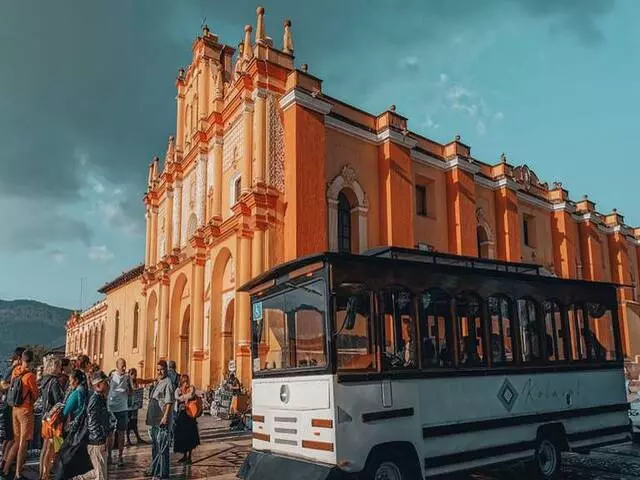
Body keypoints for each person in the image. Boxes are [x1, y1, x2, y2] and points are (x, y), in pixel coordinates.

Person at [1, 349, 39, 480]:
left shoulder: (15, 371)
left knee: (16, 441)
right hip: (26, 411)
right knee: (23, 443)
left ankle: (5, 469)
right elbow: (35, 394)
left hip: (14, 409)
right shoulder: (30, 376)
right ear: (32, 361)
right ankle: (18, 473)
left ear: (22, 359)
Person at [145, 360, 174, 480]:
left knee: (162, 448)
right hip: (154, 420)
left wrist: (165, 417)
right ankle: (155, 471)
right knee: (155, 447)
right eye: (158, 369)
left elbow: (169, 402)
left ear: (166, 369)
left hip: (161, 419)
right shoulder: (158, 382)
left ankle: (163, 474)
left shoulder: (168, 382)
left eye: (162, 369)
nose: (160, 372)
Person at [38, 356, 65, 480]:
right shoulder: (54, 381)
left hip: (45, 416)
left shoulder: (45, 380)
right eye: (59, 366)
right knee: (50, 447)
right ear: (54, 367)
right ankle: (46, 474)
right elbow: (58, 400)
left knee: (45, 447)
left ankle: (42, 473)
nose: (60, 368)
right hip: (52, 418)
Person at [0, 347, 25, 473]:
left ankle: (4, 462)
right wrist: (16, 388)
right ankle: (5, 464)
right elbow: (3, 384)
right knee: (11, 438)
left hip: (8, 405)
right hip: (9, 406)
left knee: (9, 438)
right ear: (20, 358)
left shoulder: (14, 369)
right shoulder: (13, 369)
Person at [86, 371, 111, 480]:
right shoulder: (95, 400)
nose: (108, 385)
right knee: (101, 476)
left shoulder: (100, 398)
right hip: (96, 442)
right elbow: (92, 422)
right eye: (105, 383)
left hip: (99, 440)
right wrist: (100, 439)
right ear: (98, 385)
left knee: (97, 472)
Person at [107, 358, 132, 466]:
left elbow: (132, 392)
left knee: (121, 433)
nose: (124, 367)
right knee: (110, 433)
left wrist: (129, 390)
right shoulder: (111, 376)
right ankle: (109, 456)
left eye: (125, 365)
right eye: (122, 365)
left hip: (123, 408)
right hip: (111, 408)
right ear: (117, 366)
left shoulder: (127, 378)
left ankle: (120, 457)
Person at [173, 374, 200, 464]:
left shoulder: (191, 388)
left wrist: (182, 397)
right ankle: (184, 456)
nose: (186, 383)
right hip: (182, 416)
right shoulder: (178, 389)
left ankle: (189, 457)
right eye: (184, 381)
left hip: (190, 416)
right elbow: (176, 397)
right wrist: (184, 397)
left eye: (187, 381)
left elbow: (191, 395)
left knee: (190, 436)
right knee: (182, 436)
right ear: (182, 382)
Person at [126, 368, 151, 446]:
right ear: (130, 374)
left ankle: (138, 438)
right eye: (133, 374)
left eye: (135, 374)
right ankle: (128, 439)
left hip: (135, 406)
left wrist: (154, 380)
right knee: (128, 422)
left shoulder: (136, 381)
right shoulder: (126, 381)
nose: (135, 376)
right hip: (128, 406)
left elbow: (144, 381)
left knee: (134, 421)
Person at [63, 369, 88, 434]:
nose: (70, 383)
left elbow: (66, 411)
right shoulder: (86, 390)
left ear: (76, 380)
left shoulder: (76, 393)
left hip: (75, 425)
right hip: (83, 425)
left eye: (70, 380)